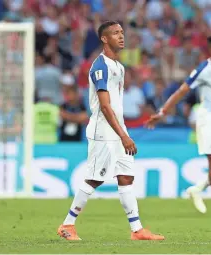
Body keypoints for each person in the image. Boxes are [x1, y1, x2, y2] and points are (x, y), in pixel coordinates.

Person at [57, 21, 164, 241]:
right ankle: (67, 225)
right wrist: (123, 135)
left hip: (118, 129)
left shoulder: (119, 67)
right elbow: (105, 106)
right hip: (103, 132)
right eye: (115, 33)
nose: (121, 36)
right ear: (104, 39)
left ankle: (137, 230)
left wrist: (123, 132)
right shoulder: (100, 66)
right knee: (94, 179)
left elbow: (115, 104)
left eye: (122, 32)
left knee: (126, 177)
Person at [146, 34, 211, 217]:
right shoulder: (204, 69)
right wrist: (162, 112)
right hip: (207, 120)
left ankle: (197, 189)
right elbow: (182, 91)